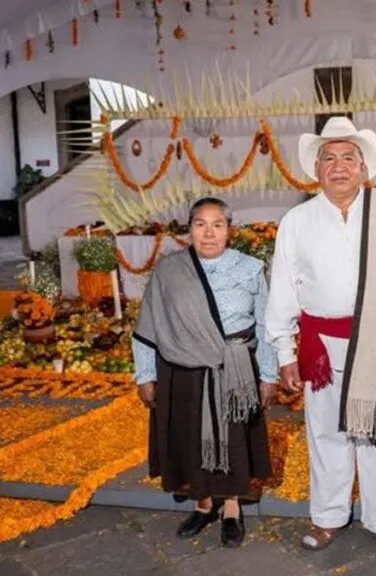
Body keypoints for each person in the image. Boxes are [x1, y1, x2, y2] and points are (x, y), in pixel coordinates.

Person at [265, 116, 376, 554]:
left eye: (348, 158)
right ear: (315, 169)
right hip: (321, 346)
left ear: (364, 167)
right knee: (326, 434)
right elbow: (283, 286)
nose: (338, 166)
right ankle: (328, 518)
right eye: (329, 158)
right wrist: (283, 349)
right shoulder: (296, 221)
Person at [132, 196, 278, 549]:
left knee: (232, 439)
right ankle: (202, 503)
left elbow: (265, 323)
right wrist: (145, 375)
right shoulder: (169, 270)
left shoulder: (250, 268)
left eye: (217, 224)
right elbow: (147, 324)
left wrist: (269, 374)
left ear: (230, 229)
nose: (208, 233)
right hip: (182, 370)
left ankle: (230, 509)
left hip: (236, 369)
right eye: (200, 224)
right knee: (190, 437)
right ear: (189, 229)